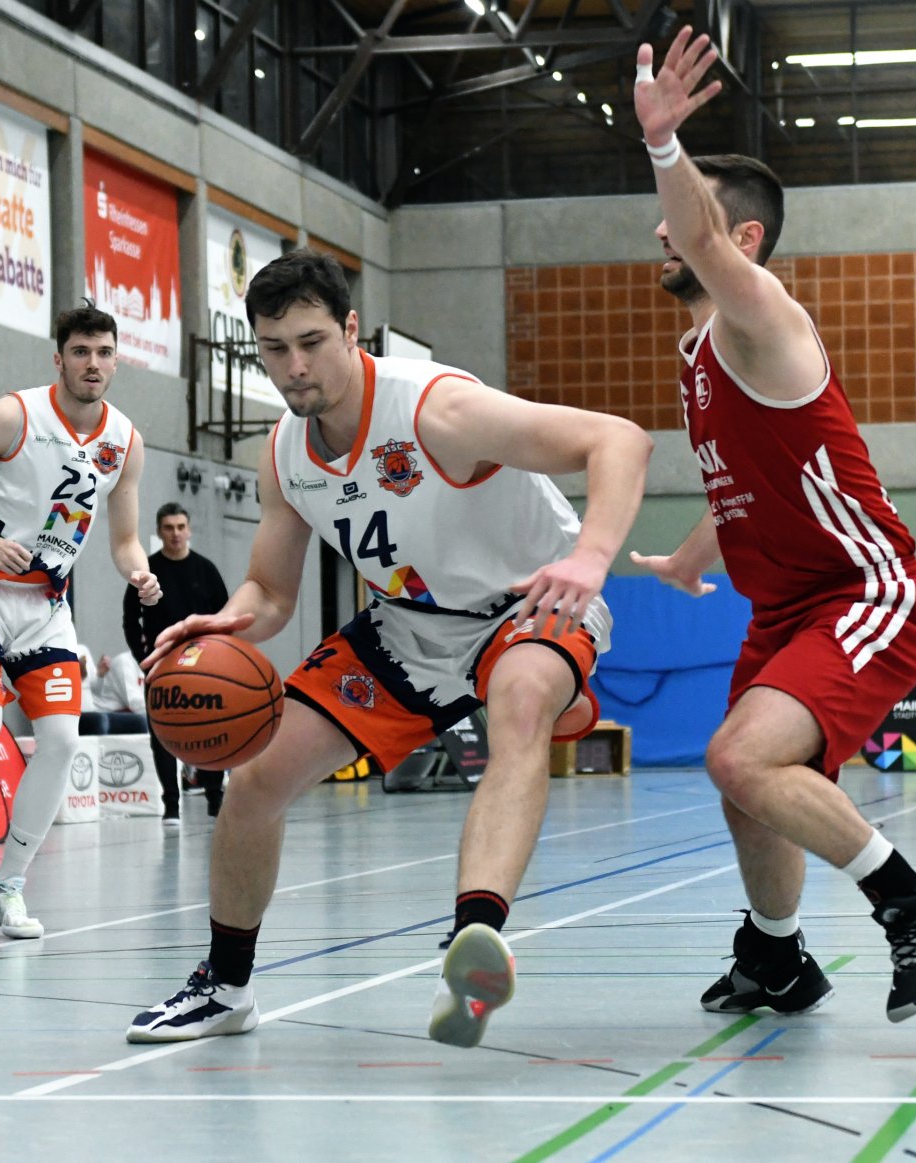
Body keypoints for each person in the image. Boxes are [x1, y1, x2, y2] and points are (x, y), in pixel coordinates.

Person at [126, 248, 652, 1046]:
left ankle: (473, 946)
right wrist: (226, 622)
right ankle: (225, 987)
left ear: (351, 330)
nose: (294, 366)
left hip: (529, 602)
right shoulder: (285, 454)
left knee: (517, 705)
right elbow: (271, 592)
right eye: (274, 349)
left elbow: (619, 439)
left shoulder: (438, 410)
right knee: (255, 777)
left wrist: (590, 557)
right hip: (410, 626)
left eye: (311, 342)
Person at [629, 29, 916, 1023]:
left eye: (687, 224)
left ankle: (915, 906)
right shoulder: (701, 355)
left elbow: (692, 230)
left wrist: (664, 144)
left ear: (740, 243)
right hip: (783, 606)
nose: (662, 235)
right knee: (743, 785)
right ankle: (776, 958)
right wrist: (686, 555)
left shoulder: (762, 317)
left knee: (739, 756)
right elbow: (737, 480)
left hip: (863, 592)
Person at [0, 302, 161, 940]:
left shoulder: (124, 442)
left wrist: (139, 572)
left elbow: (125, 540)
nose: (93, 364)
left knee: (63, 742)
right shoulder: (12, 415)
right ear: (60, 358)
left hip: (46, 603)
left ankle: (7, 888)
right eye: (81, 352)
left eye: (104, 353)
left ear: (116, 360)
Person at [123, 502, 230, 823]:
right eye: (169, 528)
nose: (175, 534)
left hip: (205, 666)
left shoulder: (206, 570)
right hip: (162, 667)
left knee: (212, 730)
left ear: (189, 529)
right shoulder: (147, 573)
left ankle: (214, 796)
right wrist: (144, 660)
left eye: (181, 527)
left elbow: (225, 618)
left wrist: (221, 658)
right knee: (162, 735)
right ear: (159, 531)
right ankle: (171, 803)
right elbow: (131, 621)